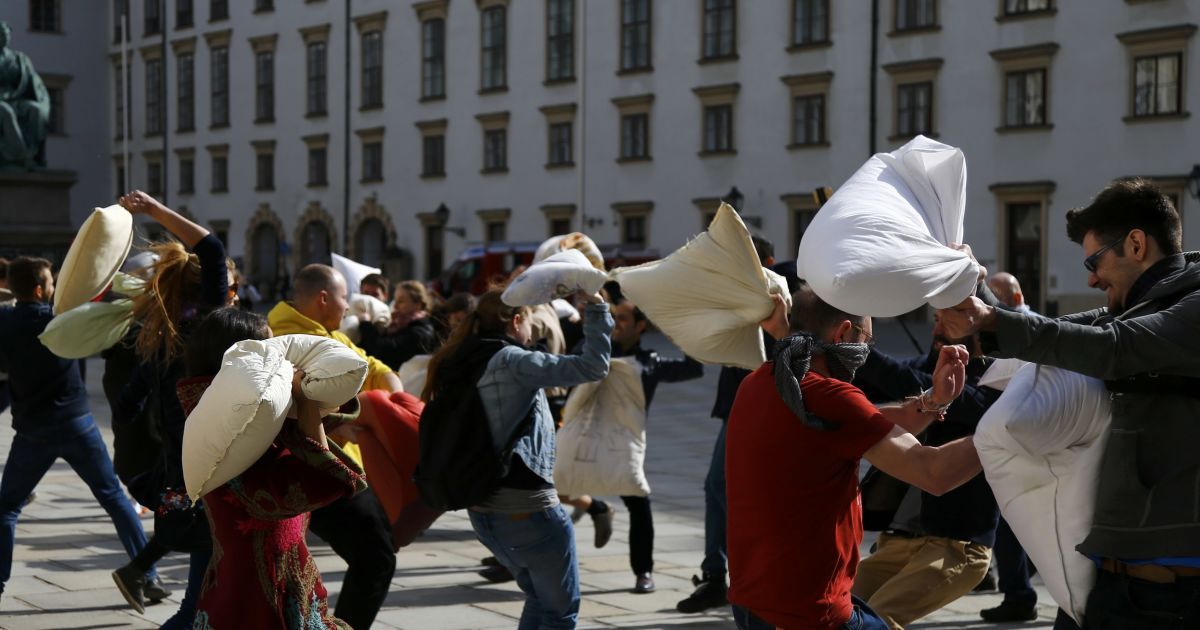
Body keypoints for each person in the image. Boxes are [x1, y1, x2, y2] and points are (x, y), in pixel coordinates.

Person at [939, 178, 1200, 627]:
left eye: (1096, 261)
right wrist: (972, 286)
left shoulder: (1190, 308)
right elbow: (1050, 333)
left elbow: (1113, 347)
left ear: (1136, 244)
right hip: (1111, 580)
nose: (1091, 278)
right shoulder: (1133, 309)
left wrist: (991, 318)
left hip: (1173, 597)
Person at [726, 285, 981, 629]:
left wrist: (935, 399)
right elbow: (933, 472)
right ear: (845, 332)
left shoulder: (759, 383)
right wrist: (1007, 425)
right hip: (811, 610)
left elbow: (874, 422)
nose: (864, 353)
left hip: (753, 601)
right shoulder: (829, 397)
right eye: (867, 342)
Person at [424, 288, 611, 629]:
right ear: (516, 320)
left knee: (540, 602)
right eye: (529, 321)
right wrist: (597, 308)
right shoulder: (512, 360)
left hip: (484, 512)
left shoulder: (461, 357)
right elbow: (593, 366)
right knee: (559, 612)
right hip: (529, 512)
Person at [177, 308, 368, 629]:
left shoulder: (214, 412)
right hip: (265, 580)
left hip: (239, 571)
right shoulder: (243, 425)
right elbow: (318, 478)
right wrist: (306, 401)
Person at [0, 257, 159, 605]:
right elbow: (112, 304)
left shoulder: (5, 321)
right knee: (115, 500)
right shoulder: (64, 317)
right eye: (51, 283)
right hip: (78, 425)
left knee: (7, 508)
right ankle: (147, 575)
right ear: (41, 289)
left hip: (33, 431)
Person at [110, 191, 231, 627]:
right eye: (230, 288)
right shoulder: (211, 326)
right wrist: (156, 211)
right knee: (193, 608)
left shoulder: (162, 338)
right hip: (216, 477)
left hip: (181, 474)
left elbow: (125, 408)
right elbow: (212, 249)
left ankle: (137, 568)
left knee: (205, 596)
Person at [268, 263, 400, 630]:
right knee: (376, 557)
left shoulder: (329, 333)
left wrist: (393, 394)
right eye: (345, 297)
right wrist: (356, 419)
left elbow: (370, 365)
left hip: (334, 465)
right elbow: (314, 407)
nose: (348, 306)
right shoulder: (289, 337)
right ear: (324, 298)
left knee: (374, 554)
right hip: (315, 465)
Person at [850, 312, 1001, 628]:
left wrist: (857, 336)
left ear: (976, 331)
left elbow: (903, 379)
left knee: (875, 620)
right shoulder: (930, 366)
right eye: (936, 319)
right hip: (899, 540)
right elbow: (878, 378)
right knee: (838, 611)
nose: (936, 329)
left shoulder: (993, 386)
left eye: (947, 322)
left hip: (956, 545)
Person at [567, 297, 703, 593]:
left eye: (624, 319)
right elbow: (574, 359)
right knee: (550, 489)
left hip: (624, 444)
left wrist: (675, 329)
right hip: (585, 438)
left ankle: (643, 572)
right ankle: (595, 511)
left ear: (641, 326)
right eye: (614, 317)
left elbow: (694, 368)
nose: (617, 324)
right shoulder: (596, 352)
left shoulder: (649, 362)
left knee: (638, 502)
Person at [678, 235, 775, 614]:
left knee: (726, 486)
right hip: (738, 402)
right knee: (718, 486)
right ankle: (718, 575)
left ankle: (742, 574)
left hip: (764, 404)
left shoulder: (779, 289)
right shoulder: (736, 294)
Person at [978, 272, 1040, 624]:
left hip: (1019, 443)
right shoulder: (1025, 327)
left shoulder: (1022, 332)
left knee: (1008, 524)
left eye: (994, 300)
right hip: (1025, 442)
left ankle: (1018, 591)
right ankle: (1018, 585)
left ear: (1012, 299)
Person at [358, 280, 438, 370]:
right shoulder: (397, 325)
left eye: (401, 301)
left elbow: (381, 350)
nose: (395, 306)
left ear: (418, 305)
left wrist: (365, 324)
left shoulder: (420, 332)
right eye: (395, 300)